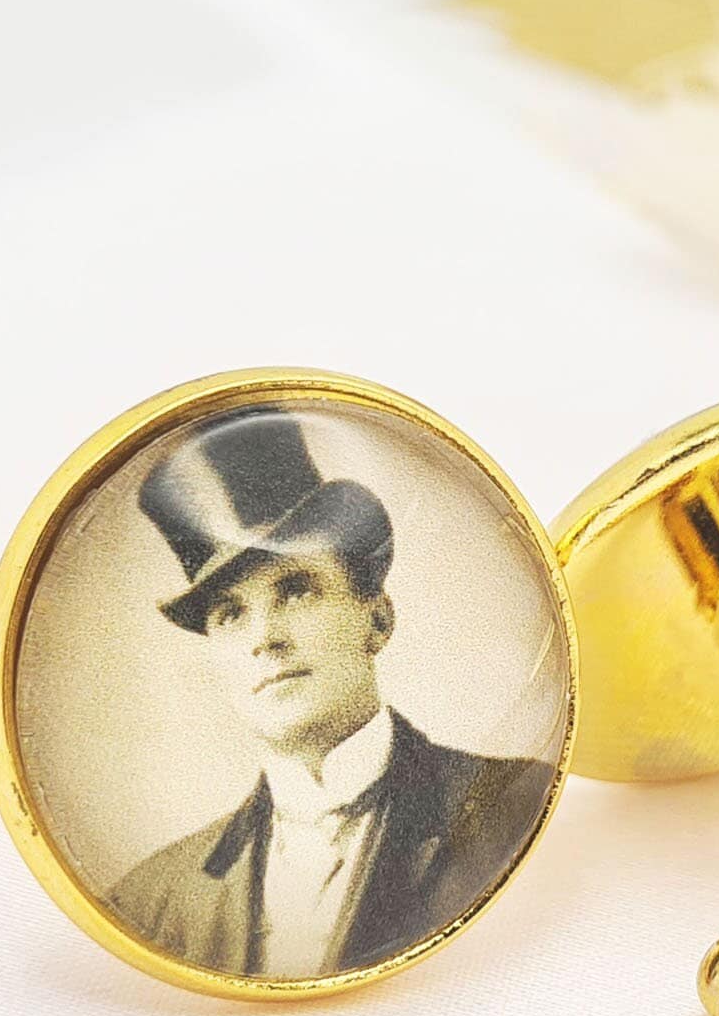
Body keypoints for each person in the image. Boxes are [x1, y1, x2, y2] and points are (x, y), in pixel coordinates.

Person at [108, 408, 555, 978]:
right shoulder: (153, 901)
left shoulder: (510, 805)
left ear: (377, 619)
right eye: (230, 614)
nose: (264, 638)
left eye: (296, 591)